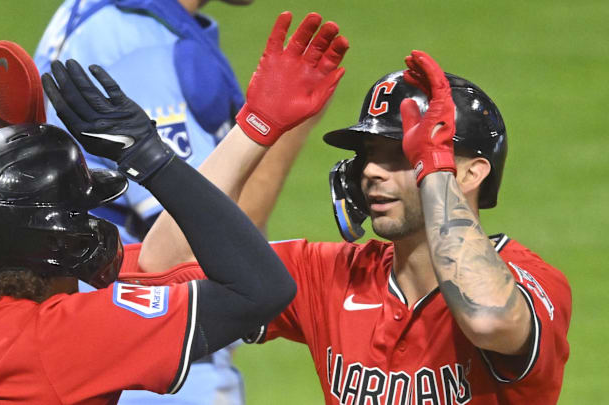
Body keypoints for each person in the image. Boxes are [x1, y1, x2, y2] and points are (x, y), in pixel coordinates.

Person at [0, 12, 347, 403]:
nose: (91, 226)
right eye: (81, 216)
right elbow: (261, 288)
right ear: (55, 245)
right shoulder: (59, 340)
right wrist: (149, 155)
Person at [133, 51, 572, 404]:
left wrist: (434, 170)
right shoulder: (328, 275)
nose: (372, 173)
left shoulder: (530, 283)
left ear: (471, 174)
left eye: (402, 154)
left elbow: (489, 319)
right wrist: (255, 128)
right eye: (368, 154)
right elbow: (165, 265)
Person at [33, 2, 336, 403]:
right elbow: (192, 249)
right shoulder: (141, 45)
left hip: (97, 338)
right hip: (150, 355)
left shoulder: (97, 15)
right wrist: (283, 127)